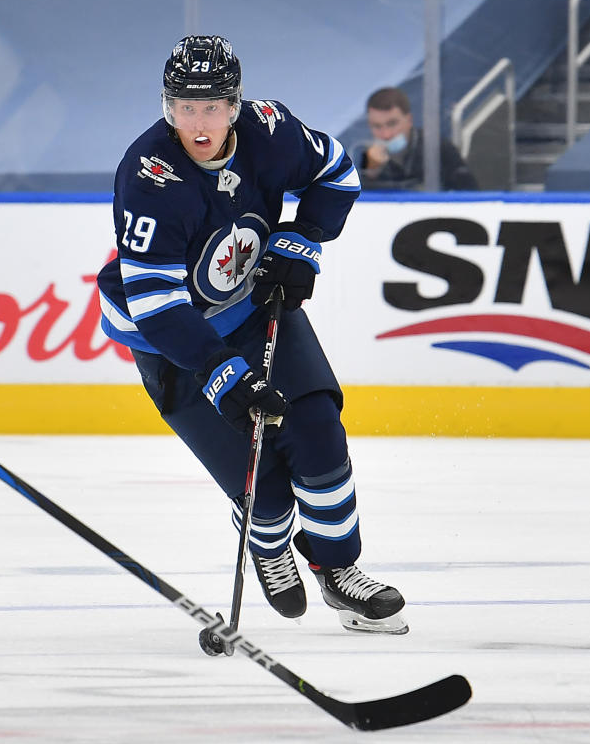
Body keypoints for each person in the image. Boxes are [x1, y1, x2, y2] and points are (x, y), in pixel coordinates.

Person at [97, 36, 407, 650]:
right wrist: (221, 371)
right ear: (166, 107)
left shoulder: (271, 130)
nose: (198, 122)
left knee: (317, 427)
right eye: (184, 106)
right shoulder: (149, 176)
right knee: (261, 484)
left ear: (236, 105)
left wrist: (305, 239)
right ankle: (268, 539)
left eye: (211, 106)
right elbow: (158, 307)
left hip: (249, 303)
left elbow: (338, 171)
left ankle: (338, 567)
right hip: (172, 339)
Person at [358, 85, 478, 190]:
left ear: (409, 120)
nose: (386, 135)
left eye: (392, 124)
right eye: (377, 126)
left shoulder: (437, 147)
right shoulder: (363, 155)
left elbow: (468, 193)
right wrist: (370, 174)